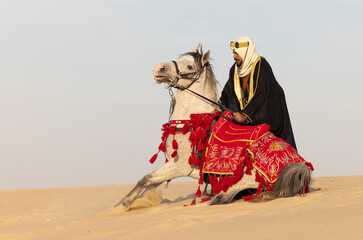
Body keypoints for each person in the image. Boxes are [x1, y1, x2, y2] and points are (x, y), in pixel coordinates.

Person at [219, 37, 297, 150]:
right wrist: (219, 106)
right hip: (252, 113)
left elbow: (260, 95)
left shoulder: (262, 66)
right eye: (233, 53)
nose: (234, 56)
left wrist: (245, 115)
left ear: (245, 52)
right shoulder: (235, 70)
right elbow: (228, 92)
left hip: (268, 111)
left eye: (236, 53)